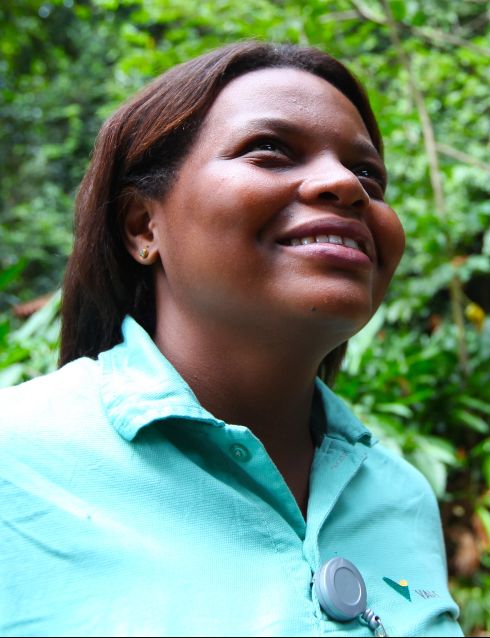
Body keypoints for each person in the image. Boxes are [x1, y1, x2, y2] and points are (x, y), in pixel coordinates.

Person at [0, 41, 462, 637]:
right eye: (269, 151)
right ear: (144, 226)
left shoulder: (402, 496)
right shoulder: (17, 460)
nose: (345, 185)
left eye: (368, 174)